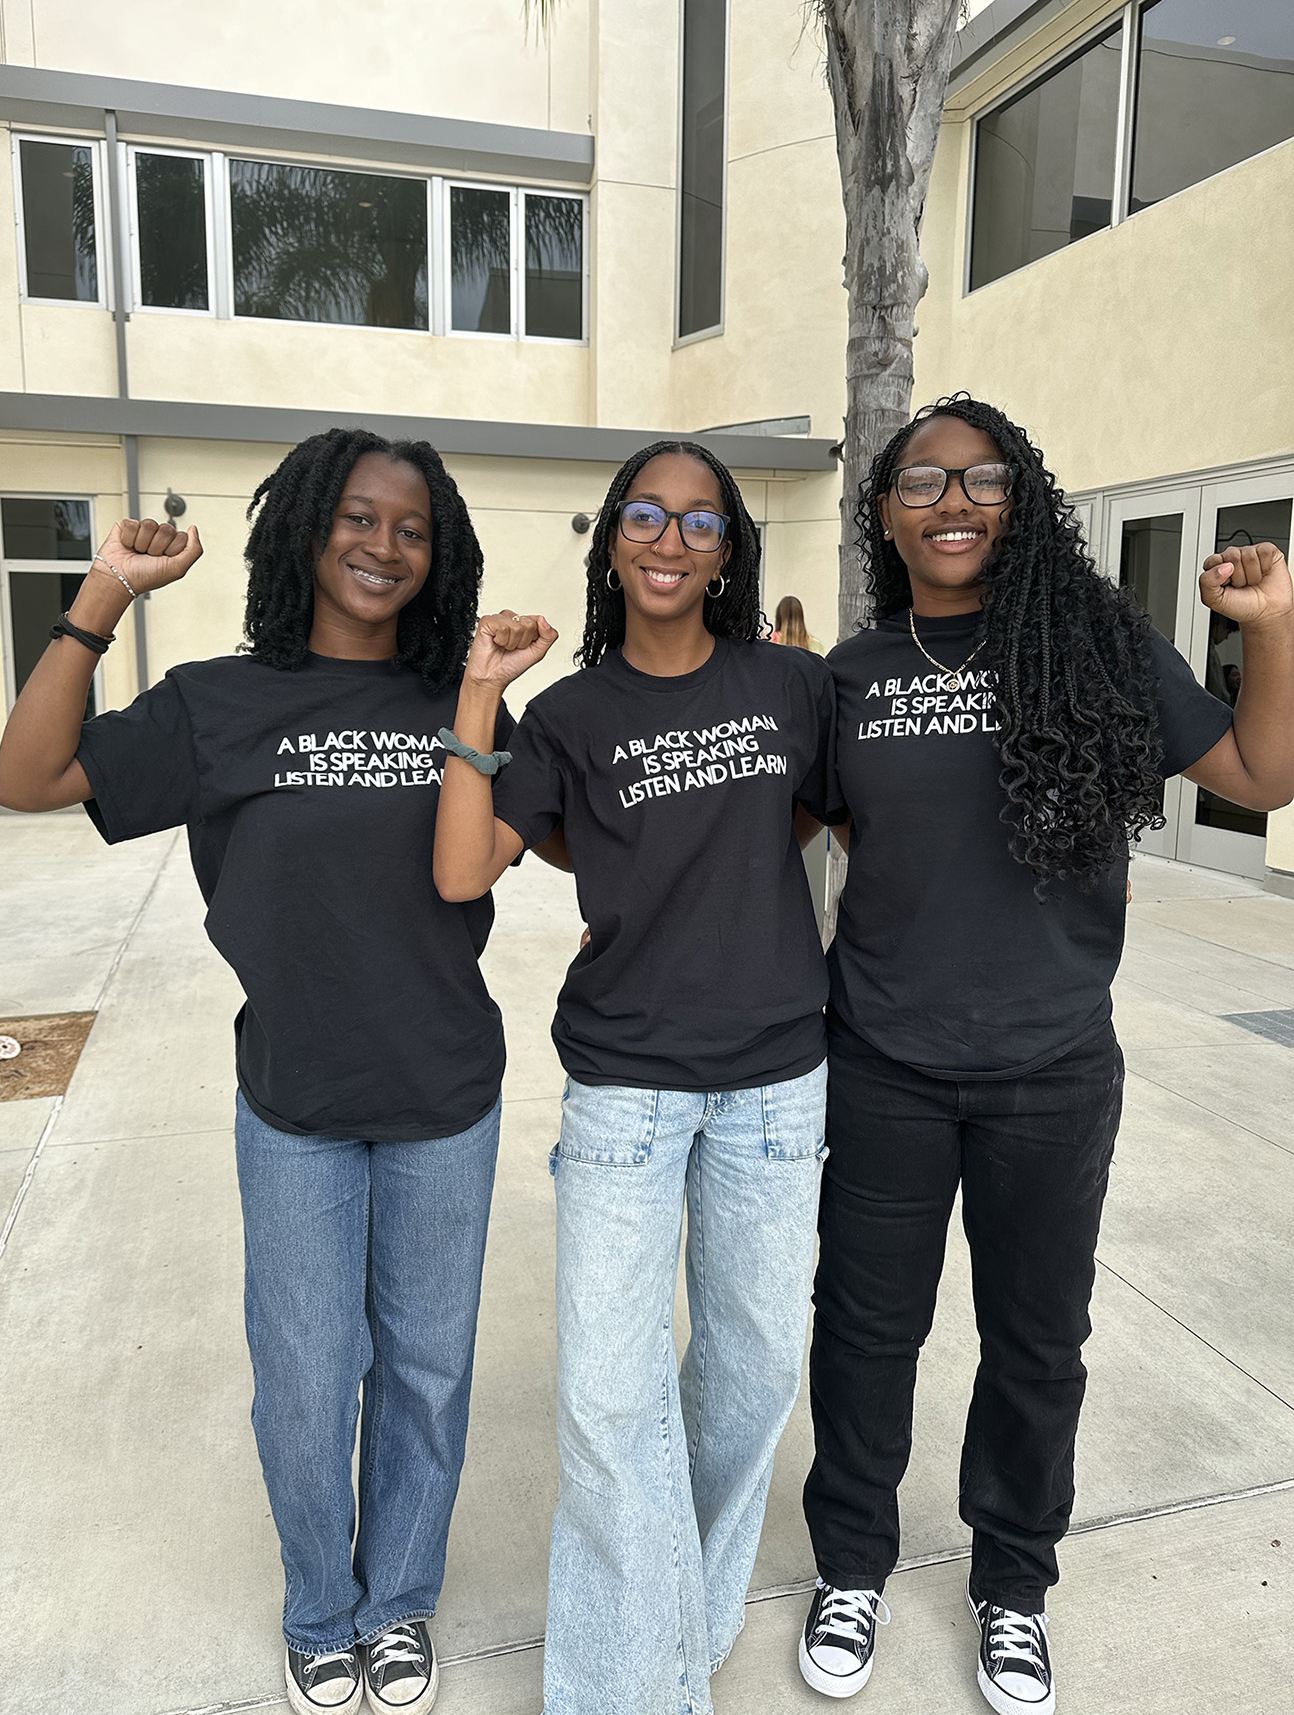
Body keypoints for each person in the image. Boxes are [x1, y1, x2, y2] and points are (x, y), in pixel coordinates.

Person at [0, 428, 540, 1715]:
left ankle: (399, 1600)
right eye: (357, 517)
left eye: (411, 528)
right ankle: (321, 1607)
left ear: (438, 553)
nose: (382, 545)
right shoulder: (217, 701)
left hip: (444, 1094)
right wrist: (102, 595)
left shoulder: (460, 704)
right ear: (306, 532)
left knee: (426, 1366)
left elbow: (512, 853)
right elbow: (26, 775)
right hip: (293, 1097)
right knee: (305, 1374)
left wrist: (490, 693)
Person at [797, 396, 1294, 1714]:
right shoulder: (852, 675)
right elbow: (822, 833)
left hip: (1051, 1067)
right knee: (862, 1329)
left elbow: (1259, 772)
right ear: (883, 511)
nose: (951, 501)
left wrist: (1272, 629)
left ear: (1018, 500)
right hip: (885, 1061)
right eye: (922, 481)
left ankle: (1011, 1582)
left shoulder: (1097, 644)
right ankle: (850, 1560)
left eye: (980, 478)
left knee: (1034, 1341)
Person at [432, 439, 842, 1715]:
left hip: (777, 1080)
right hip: (625, 1087)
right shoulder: (567, 716)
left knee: (751, 1369)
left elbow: (812, 813)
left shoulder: (792, 686)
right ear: (612, 539)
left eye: (700, 521)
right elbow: (463, 870)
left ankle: (685, 1620)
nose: (670, 539)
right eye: (647, 516)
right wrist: (479, 690)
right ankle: (630, 1689)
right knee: (610, 1398)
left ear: (729, 551)